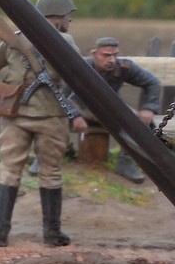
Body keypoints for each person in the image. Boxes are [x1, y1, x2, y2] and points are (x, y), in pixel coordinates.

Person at [0, 0, 88, 247]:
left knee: (9, 171)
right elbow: (80, 75)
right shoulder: (65, 41)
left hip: (15, 115)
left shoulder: (16, 38)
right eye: (67, 16)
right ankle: (52, 234)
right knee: (51, 172)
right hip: (51, 117)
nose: (69, 20)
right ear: (58, 16)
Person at [68, 37, 162, 183]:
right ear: (94, 54)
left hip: (110, 108)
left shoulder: (123, 67)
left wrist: (148, 108)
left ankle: (125, 161)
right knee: (51, 118)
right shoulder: (80, 66)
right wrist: (74, 115)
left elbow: (152, 82)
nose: (111, 60)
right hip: (81, 108)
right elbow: (61, 93)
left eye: (115, 55)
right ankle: (52, 154)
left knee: (143, 124)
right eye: (106, 55)